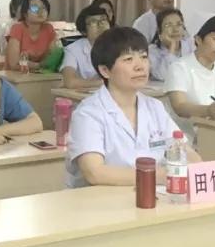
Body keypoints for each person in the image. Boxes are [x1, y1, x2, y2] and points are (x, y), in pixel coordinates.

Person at [66, 27, 202, 188]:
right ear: (105, 71)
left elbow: (185, 151)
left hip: (154, 193)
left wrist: (196, 168)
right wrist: (163, 175)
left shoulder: (155, 107)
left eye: (144, 57)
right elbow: (95, 173)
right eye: (128, 59)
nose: (140, 66)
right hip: (102, 199)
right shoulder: (88, 113)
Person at [60, 5, 111, 90]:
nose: (100, 25)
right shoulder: (73, 50)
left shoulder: (119, 45)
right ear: (83, 31)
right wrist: (103, 83)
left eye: (103, 20)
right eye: (93, 22)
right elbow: (69, 82)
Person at [6, 0, 58, 71]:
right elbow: (14, 64)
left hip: (39, 75)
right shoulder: (17, 28)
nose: (40, 11)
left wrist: (36, 65)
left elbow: (52, 59)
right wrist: (39, 65)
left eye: (44, 8)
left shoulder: (49, 29)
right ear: (25, 13)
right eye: (34, 8)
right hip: (15, 75)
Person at [148, 8, 196, 82]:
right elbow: (164, 76)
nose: (175, 29)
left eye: (179, 24)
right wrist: (172, 48)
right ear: (159, 31)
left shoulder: (192, 45)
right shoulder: (152, 51)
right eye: (168, 25)